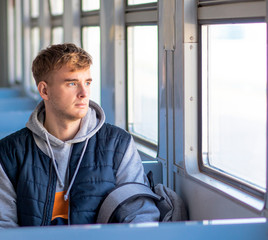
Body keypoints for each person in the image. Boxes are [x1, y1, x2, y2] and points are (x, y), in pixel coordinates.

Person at [0, 43, 160, 227]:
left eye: (87, 83)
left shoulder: (118, 144)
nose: (84, 93)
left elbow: (139, 216)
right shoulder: (9, 153)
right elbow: (4, 226)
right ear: (44, 90)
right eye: (72, 83)